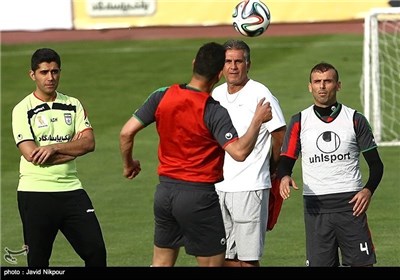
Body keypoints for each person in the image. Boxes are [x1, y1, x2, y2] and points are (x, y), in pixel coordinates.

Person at [119, 42, 273, 267]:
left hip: (165, 193)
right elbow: (239, 152)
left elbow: (126, 133)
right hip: (198, 196)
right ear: (219, 73)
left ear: (194, 64)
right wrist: (257, 120)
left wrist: (128, 164)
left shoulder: (161, 95)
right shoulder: (213, 110)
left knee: (161, 264)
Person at [277, 62, 384, 267]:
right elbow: (286, 161)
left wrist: (368, 190)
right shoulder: (299, 121)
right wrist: (284, 176)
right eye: (317, 82)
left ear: (338, 85)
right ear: (310, 86)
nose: (322, 86)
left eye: (328, 81)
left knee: (362, 265)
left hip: (351, 205)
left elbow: (376, 165)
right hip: (316, 208)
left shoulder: (355, 119)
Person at [11, 48, 107, 267]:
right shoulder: (22, 109)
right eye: (44, 72)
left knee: (96, 252)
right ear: (32, 75)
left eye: (55, 72)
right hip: (35, 193)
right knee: (38, 262)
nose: (50, 78)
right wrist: (73, 147)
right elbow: (32, 155)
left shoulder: (73, 104)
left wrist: (54, 148)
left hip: (72, 190)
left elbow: (89, 144)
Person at [211, 39, 286, 267]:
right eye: (228, 61)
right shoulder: (216, 94)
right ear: (221, 66)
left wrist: (272, 168)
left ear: (248, 64)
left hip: (250, 185)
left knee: (248, 259)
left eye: (238, 61)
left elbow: (280, 135)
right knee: (223, 257)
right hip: (218, 187)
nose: (233, 67)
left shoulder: (259, 93)